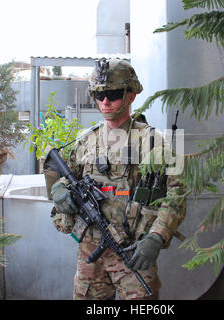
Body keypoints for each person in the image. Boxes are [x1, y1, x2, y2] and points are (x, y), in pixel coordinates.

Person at [50, 58, 186, 300]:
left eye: (112, 94)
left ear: (130, 95)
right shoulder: (86, 140)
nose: (104, 101)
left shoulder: (152, 142)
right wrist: (59, 190)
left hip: (132, 251)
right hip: (90, 253)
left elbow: (176, 193)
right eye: (98, 95)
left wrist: (157, 236)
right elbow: (65, 178)